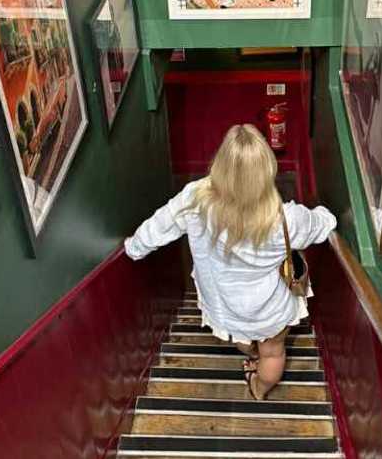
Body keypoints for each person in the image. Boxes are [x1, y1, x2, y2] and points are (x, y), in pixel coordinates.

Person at [124, 124, 336, 400]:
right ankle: (260, 388)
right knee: (273, 353)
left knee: (242, 338)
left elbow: (158, 227)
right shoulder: (285, 219)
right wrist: (325, 213)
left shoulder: (195, 199)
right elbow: (322, 224)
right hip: (271, 308)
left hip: (226, 304)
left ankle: (250, 353)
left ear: (220, 165)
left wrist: (134, 248)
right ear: (266, 171)